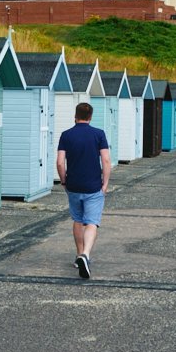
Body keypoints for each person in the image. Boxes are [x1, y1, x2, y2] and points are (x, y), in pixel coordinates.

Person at [56, 102, 112, 280]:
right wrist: (105, 183)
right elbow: (106, 160)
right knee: (92, 222)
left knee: (78, 220)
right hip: (93, 186)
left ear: (75, 115)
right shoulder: (98, 134)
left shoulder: (66, 135)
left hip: (73, 185)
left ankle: (78, 255)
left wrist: (64, 181)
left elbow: (59, 162)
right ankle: (86, 254)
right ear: (90, 117)